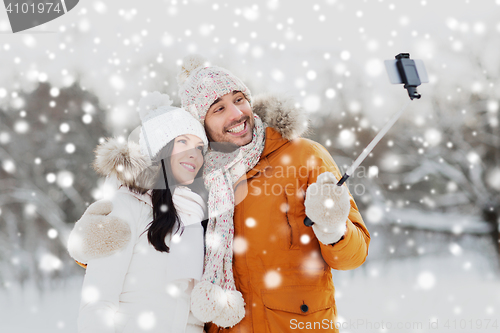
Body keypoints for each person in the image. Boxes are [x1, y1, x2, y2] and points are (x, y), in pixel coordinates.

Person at [73, 55, 371, 333]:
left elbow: (354, 256)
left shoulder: (304, 156)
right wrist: (90, 244)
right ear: (201, 127)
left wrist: (333, 228)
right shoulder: (196, 181)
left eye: (239, 100)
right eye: (218, 108)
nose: (237, 113)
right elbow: (152, 246)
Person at [67, 92, 209, 333]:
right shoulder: (125, 207)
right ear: (159, 148)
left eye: (199, 147)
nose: (194, 153)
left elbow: (193, 314)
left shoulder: (195, 216)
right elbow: (99, 302)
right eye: (183, 142)